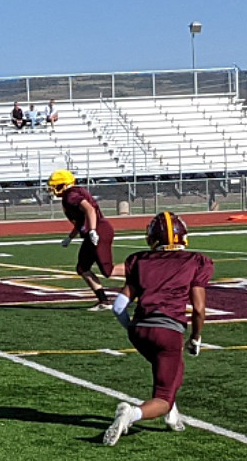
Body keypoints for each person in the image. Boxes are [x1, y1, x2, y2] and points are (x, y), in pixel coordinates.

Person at [101, 212, 211, 446]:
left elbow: (119, 306)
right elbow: (199, 309)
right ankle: (132, 414)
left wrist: (131, 327)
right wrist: (196, 337)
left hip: (140, 330)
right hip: (168, 331)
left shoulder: (140, 260)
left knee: (171, 370)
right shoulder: (195, 260)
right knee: (161, 396)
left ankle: (172, 414)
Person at [50, 169, 115, 308]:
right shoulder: (72, 193)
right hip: (97, 229)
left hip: (100, 230)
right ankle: (103, 301)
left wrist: (92, 230)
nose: (53, 190)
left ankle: (140, 271)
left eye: (56, 186)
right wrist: (70, 237)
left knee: (108, 271)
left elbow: (89, 210)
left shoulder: (70, 195)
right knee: (82, 267)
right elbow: (80, 221)